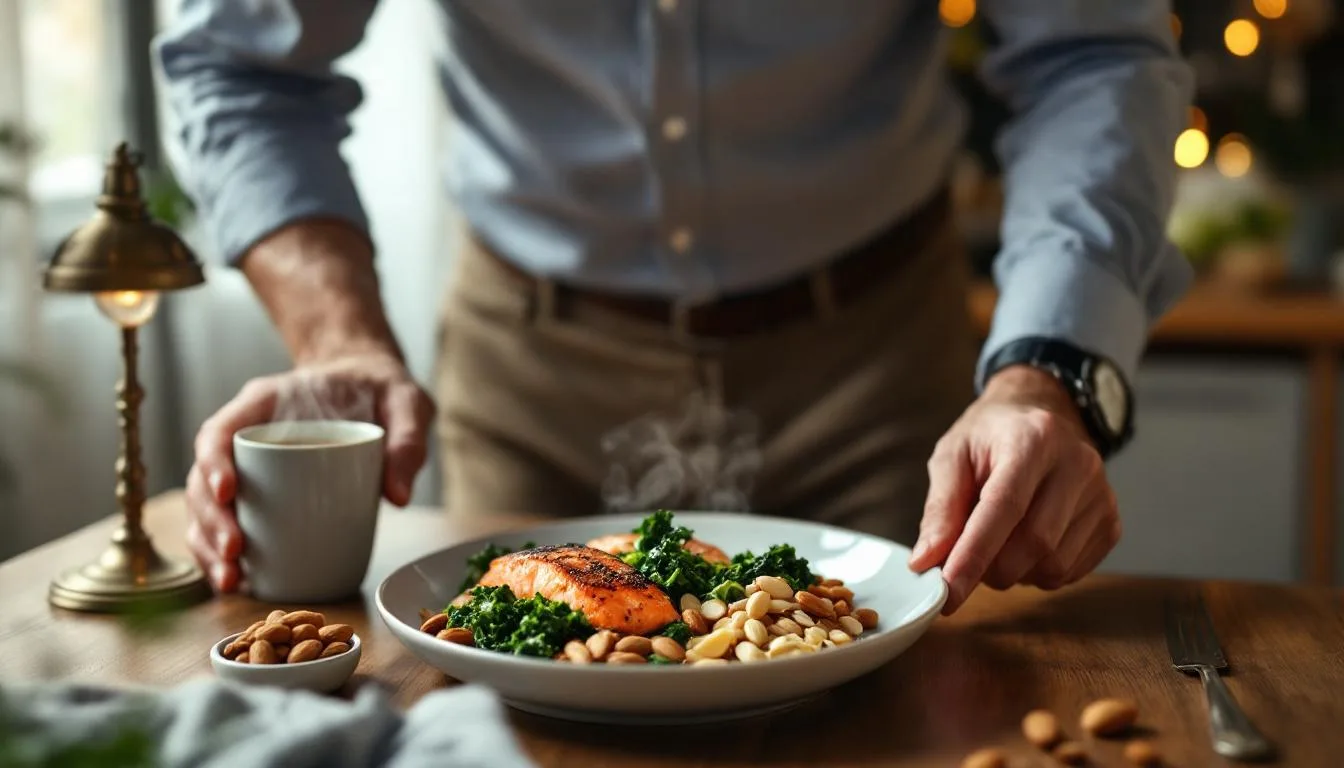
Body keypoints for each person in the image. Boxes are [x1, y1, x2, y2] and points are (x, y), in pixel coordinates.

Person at [156, 1, 1194, 615]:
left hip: (878, 367)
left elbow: (1091, 51)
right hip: (528, 365)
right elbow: (237, 63)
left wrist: (1044, 376)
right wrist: (337, 338)